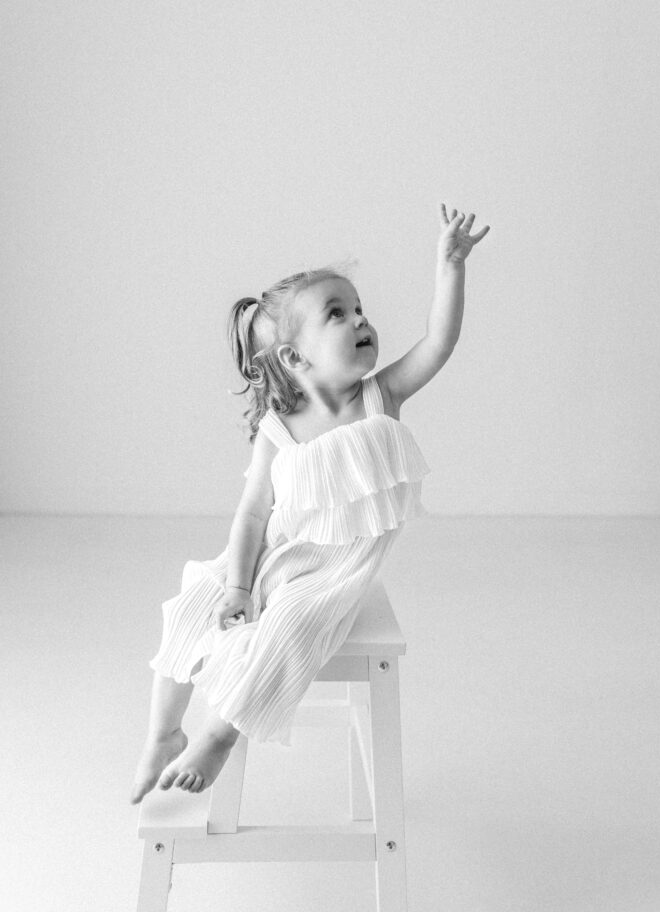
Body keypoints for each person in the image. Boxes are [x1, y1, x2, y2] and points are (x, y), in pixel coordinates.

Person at [130, 204, 490, 803]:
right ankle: (162, 733)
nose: (359, 320)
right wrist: (238, 588)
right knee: (194, 599)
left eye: (358, 309)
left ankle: (219, 733)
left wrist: (449, 266)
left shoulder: (380, 396)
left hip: (333, 571)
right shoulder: (281, 427)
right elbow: (251, 516)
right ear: (296, 359)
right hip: (276, 552)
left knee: (290, 626)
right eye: (337, 314)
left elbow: (439, 342)